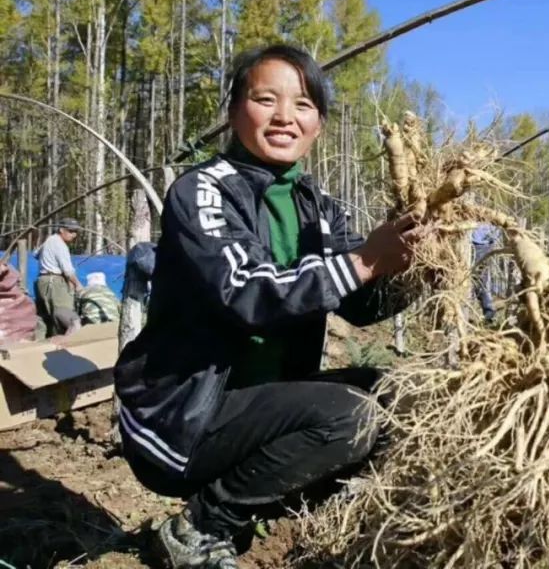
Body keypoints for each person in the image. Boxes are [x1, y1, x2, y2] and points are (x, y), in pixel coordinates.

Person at [114, 44, 418, 568]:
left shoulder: (318, 208)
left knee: (405, 393)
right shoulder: (201, 191)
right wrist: (366, 260)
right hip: (181, 420)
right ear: (234, 112)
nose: (284, 117)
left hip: (259, 408)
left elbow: (361, 306)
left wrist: (415, 269)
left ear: (319, 124)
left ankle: (297, 507)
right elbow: (246, 290)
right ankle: (200, 528)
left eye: (303, 105)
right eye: (265, 99)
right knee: (351, 415)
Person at [34, 218, 82, 336]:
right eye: (71, 231)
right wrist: (78, 284)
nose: (74, 235)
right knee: (66, 317)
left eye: (75, 231)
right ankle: (64, 345)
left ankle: (38, 346)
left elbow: (35, 254)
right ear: (61, 230)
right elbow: (68, 271)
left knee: (44, 318)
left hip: (42, 281)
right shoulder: (60, 245)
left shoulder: (49, 240)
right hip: (54, 282)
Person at [471, 223, 498, 323]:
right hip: (480, 241)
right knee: (476, 279)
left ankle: (489, 311)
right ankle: (488, 312)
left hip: (481, 243)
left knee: (478, 279)